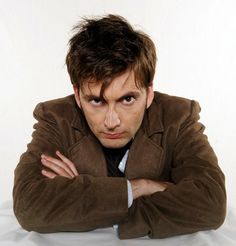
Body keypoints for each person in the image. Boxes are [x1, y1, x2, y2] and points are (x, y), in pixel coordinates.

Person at [13, 14, 226, 239]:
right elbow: (28, 205)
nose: (111, 122)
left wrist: (82, 197)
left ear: (149, 93)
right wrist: (137, 188)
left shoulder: (178, 117)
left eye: (127, 100)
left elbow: (210, 203)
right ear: (77, 96)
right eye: (97, 101)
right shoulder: (56, 118)